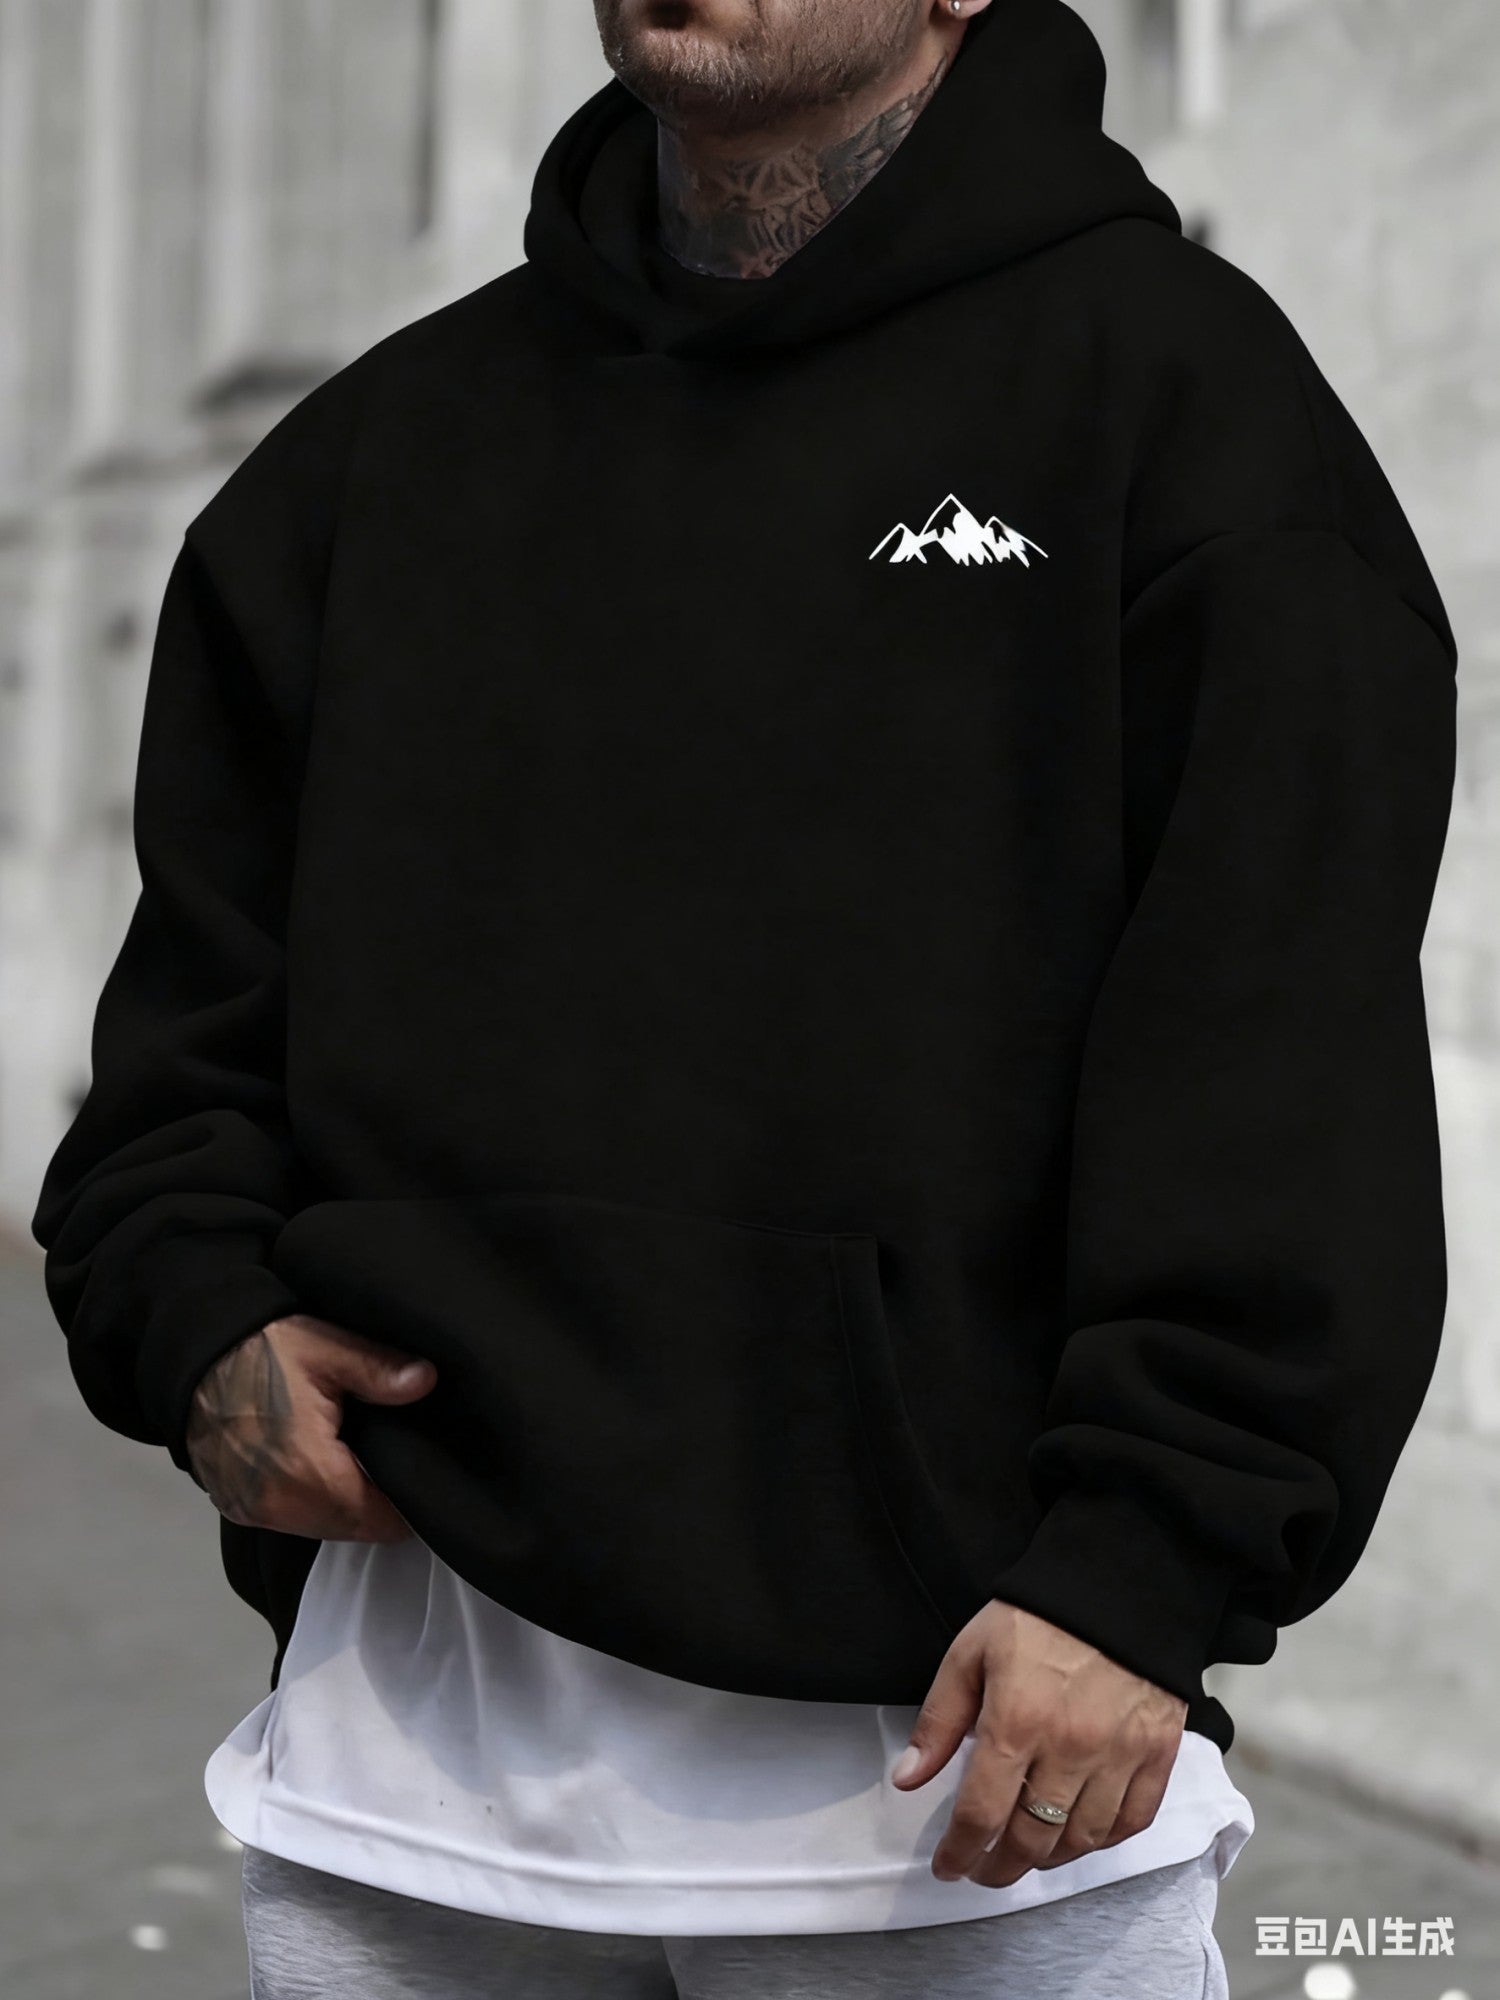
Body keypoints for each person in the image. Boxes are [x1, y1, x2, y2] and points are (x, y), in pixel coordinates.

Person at [32, 0, 1457, 1993]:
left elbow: (1281, 1053)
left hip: (966, 1797)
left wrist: (1151, 1563)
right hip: (409, 1789)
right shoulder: (376, 458)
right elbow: (186, 1034)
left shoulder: (1178, 406)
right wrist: (194, 1315)